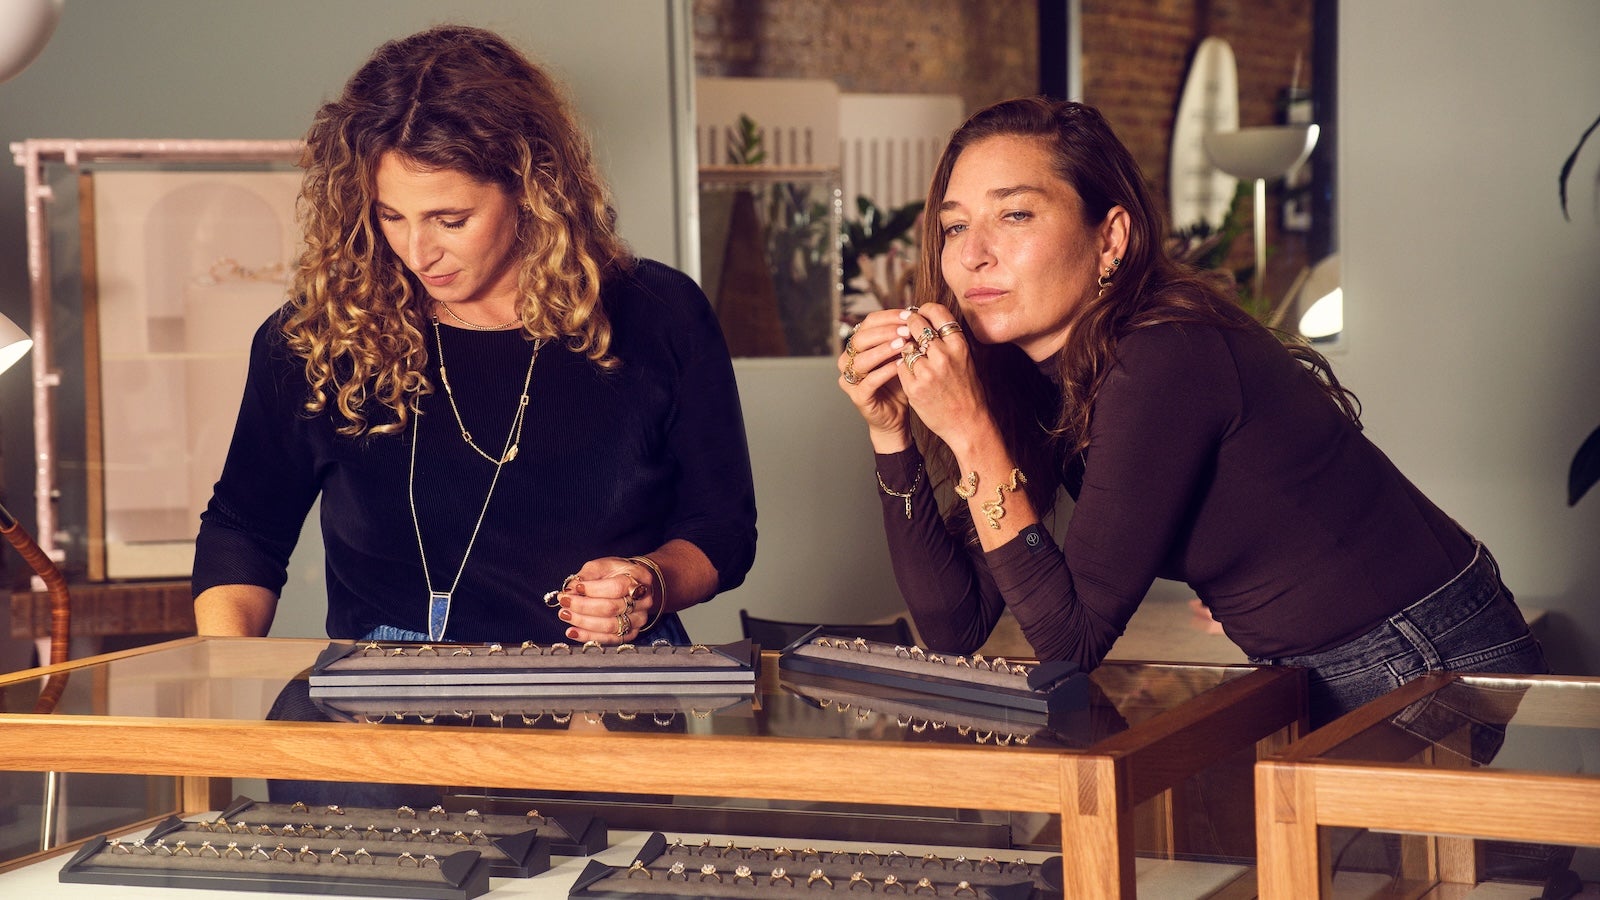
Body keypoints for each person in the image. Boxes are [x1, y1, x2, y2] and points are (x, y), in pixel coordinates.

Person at [838, 97, 1548, 730]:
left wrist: (969, 433)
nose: (972, 256)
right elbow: (954, 626)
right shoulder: (1041, 377)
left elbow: (1070, 642)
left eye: (1015, 214)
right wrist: (890, 430)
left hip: (1421, 652)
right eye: (955, 226)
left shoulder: (1162, 354)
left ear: (1110, 239)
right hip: (1318, 662)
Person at [193, 24, 757, 649]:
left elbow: (720, 526)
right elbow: (244, 529)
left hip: (606, 705)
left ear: (531, 189)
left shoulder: (659, 313)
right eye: (390, 216)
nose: (416, 250)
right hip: (384, 715)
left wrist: (653, 582)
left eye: (451, 219)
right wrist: (227, 677)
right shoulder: (321, 336)